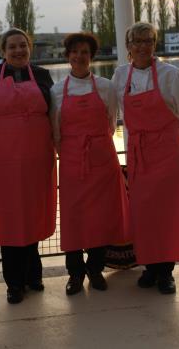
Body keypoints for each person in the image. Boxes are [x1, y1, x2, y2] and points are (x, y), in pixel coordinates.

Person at [111, 22, 179, 294]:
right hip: (139, 155)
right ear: (128, 46)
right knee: (144, 215)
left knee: (169, 213)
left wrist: (162, 134)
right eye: (137, 41)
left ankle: (166, 273)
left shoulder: (171, 75)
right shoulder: (120, 76)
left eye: (148, 41)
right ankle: (150, 268)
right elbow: (114, 114)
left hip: (168, 155)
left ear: (155, 45)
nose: (142, 46)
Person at [0, 28, 57, 304]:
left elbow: (55, 114)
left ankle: (34, 275)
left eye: (23, 45)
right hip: (0, 162)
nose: (18, 51)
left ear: (30, 48)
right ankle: (14, 283)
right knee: (9, 220)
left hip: (37, 158)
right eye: (12, 47)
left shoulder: (44, 75)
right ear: (2, 52)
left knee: (33, 214)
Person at [49, 33, 130, 295]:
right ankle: (74, 273)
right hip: (72, 160)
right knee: (73, 218)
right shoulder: (56, 90)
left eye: (84, 52)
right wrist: (70, 151)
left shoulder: (106, 87)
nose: (79, 57)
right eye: (74, 52)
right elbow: (55, 132)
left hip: (102, 158)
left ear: (91, 56)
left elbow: (111, 123)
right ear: (67, 56)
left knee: (100, 217)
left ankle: (95, 269)